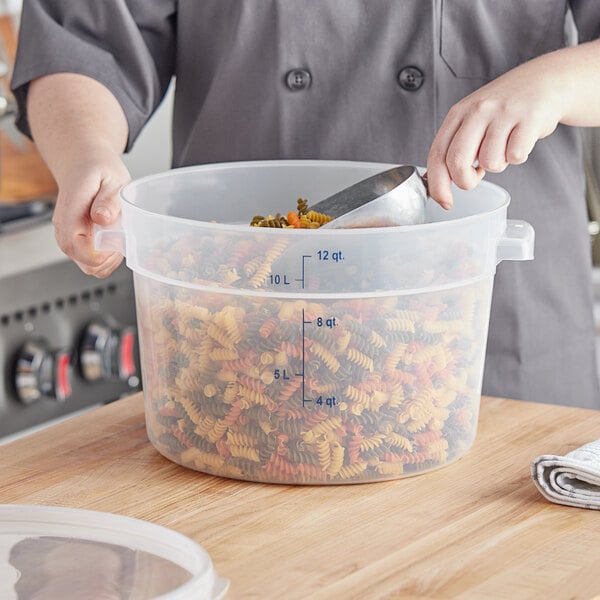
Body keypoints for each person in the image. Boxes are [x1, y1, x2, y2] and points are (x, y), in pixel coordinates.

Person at [10, 1, 600, 408]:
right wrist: (88, 155)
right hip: (238, 324)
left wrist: (558, 82)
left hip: (491, 325)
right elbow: (85, 38)